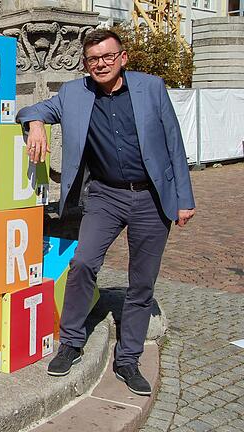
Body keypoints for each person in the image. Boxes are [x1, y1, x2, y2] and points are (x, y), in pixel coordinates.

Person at [16, 29, 195, 396]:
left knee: (141, 282)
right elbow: (31, 108)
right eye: (93, 59)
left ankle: (128, 359)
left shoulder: (151, 88)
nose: (100, 64)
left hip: (150, 198)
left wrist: (184, 198)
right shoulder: (74, 93)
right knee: (83, 263)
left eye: (107, 57)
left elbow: (174, 142)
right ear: (86, 63)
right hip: (105, 196)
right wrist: (35, 124)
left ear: (123, 58)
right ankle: (71, 343)